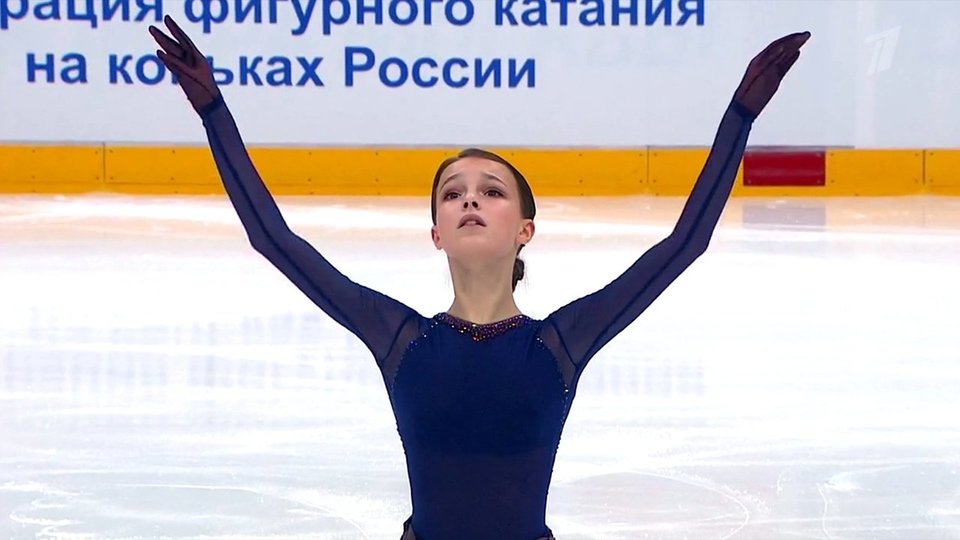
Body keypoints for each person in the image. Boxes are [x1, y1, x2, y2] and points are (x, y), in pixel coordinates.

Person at [149, 17, 809, 540]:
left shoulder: (560, 344)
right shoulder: (401, 339)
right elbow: (273, 239)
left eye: (492, 191)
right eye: (452, 193)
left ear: (525, 228)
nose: (469, 198)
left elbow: (685, 244)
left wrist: (740, 116)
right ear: (436, 233)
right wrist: (213, 112)